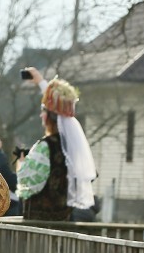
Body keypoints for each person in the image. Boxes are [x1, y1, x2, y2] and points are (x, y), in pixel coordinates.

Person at [17, 69, 97, 221]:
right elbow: (58, 106)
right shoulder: (73, 149)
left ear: (49, 116)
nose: (41, 114)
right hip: (64, 227)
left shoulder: (44, 147)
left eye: (43, 110)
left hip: (39, 229)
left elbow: (26, 183)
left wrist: (21, 164)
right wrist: (41, 82)